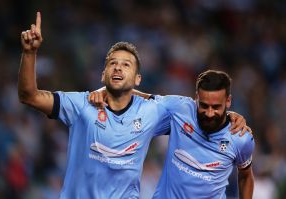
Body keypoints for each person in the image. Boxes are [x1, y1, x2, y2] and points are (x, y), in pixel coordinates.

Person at [18, 12, 250, 198]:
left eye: (126, 65)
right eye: (113, 64)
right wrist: (30, 53)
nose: (118, 67)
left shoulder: (154, 110)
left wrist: (230, 116)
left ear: (138, 79)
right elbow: (29, 96)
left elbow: (208, 111)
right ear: (103, 74)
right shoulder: (81, 105)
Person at [90, 70, 255, 199]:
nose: (209, 113)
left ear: (228, 101)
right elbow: (144, 98)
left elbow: (246, 176)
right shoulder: (179, 109)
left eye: (216, 107)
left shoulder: (240, 138)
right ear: (196, 97)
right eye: (204, 106)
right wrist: (110, 90)